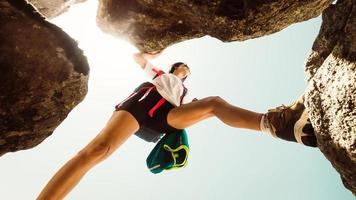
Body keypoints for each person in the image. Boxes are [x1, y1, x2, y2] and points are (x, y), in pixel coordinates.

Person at [37, 51, 316, 199]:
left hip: (166, 118)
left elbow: (194, 114)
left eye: (186, 71)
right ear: (174, 68)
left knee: (213, 104)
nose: (183, 71)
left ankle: (278, 125)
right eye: (181, 68)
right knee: (98, 150)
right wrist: (153, 53)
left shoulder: (184, 92)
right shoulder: (159, 73)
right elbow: (137, 57)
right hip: (142, 105)